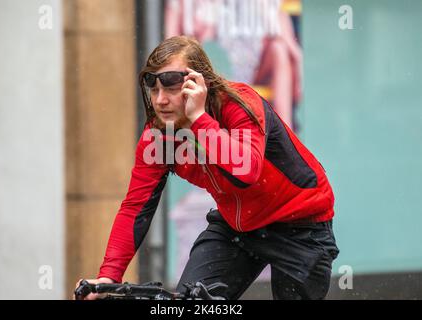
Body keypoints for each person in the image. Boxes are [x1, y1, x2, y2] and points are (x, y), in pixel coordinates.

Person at [75, 36, 339, 300]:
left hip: (301, 226)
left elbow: (245, 171)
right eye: (153, 88)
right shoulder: (159, 136)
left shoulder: (239, 104)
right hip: (237, 228)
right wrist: (109, 276)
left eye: (171, 86)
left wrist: (199, 119)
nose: (160, 100)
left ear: (202, 83)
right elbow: (136, 207)